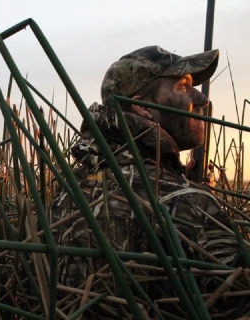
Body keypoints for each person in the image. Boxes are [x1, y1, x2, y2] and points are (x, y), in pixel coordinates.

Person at [51, 45, 242, 317]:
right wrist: (194, 198)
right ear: (142, 106)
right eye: (183, 87)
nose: (201, 99)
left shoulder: (67, 190)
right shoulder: (189, 203)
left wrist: (179, 180)